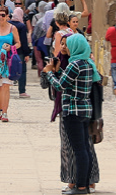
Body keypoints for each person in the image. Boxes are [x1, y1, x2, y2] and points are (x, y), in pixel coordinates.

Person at [43, 35, 101, 195]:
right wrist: (59, 70)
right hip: (85, 110)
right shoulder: (87, 63)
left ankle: (80, 187)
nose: (66, 48)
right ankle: (85, 184)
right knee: (85, 149)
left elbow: (60, 86)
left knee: (78, 150)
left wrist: (49, 73)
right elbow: (73, 81)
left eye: (68, 45)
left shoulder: (74, 64)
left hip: (72, 111)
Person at [0, 6, 21, 122]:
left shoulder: (12, 28)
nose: (0, 17)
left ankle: (5, 112)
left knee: (6, 86)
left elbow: (18, 43)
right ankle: (0, 108)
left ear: (7, 16)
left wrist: (11, 47)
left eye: (3, 15)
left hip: (8, 60)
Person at [11, 7, 32, 98]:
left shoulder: (9, 24)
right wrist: (27, 54)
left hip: (9, 50)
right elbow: (24, 41)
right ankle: (22, 91)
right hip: (19, 52)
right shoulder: (21, 26)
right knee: (22, 71)